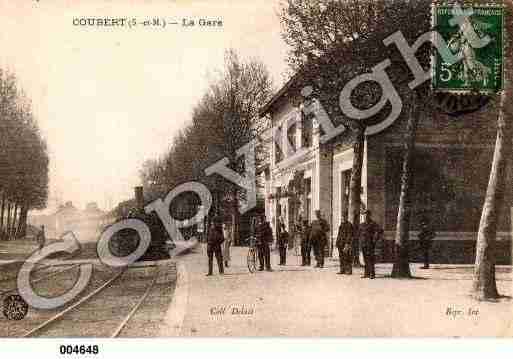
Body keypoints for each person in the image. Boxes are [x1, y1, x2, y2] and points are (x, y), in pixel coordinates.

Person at [358, 210, 382, 279]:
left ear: (369, 215)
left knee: (371, 259)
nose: (365, 216)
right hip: (363, 244)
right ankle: (366, 273)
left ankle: (372, 274)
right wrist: (360, 242)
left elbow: (380, 231)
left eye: (367, 215)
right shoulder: (361, 225)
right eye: (364, 215)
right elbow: (359, 234)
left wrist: (375, 239)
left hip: (370, 244)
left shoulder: (373, 224)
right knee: (365, 259)